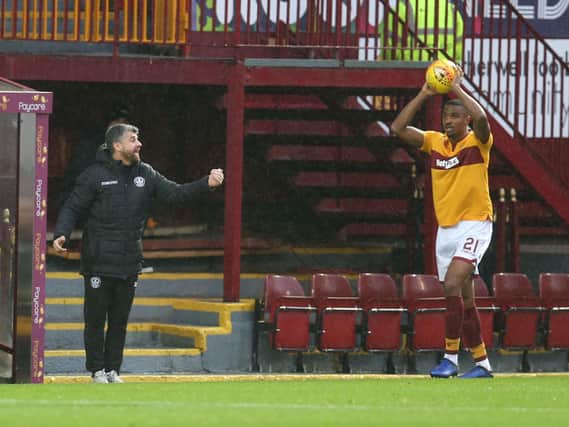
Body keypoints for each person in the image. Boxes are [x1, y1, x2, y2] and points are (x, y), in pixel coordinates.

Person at [52, 123, 224, 383]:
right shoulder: (94, 175)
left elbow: (176, 194)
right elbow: (72, 207)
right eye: (133, 139)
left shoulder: (147, 174)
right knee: (96, 320)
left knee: (120, 321)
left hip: (129, 262)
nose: (139, 143)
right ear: (117, 146)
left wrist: (206, 184)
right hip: (98, 261)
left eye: (138, 138)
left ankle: (113, 370)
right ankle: (96, 370)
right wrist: (61, 232)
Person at [391, 66, 494, 379]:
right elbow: (398, 128)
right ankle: (482, 364)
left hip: (476, 222)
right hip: (446, 228)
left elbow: (483, 121)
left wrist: (457, 88)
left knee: (451, 284)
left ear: (465, 120)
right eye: (445, 116)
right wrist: (425, 93)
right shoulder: (434, 142)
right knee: (464, 298)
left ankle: (449, 358)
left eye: (454, 116)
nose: (447, 121)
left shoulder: (478, 143)